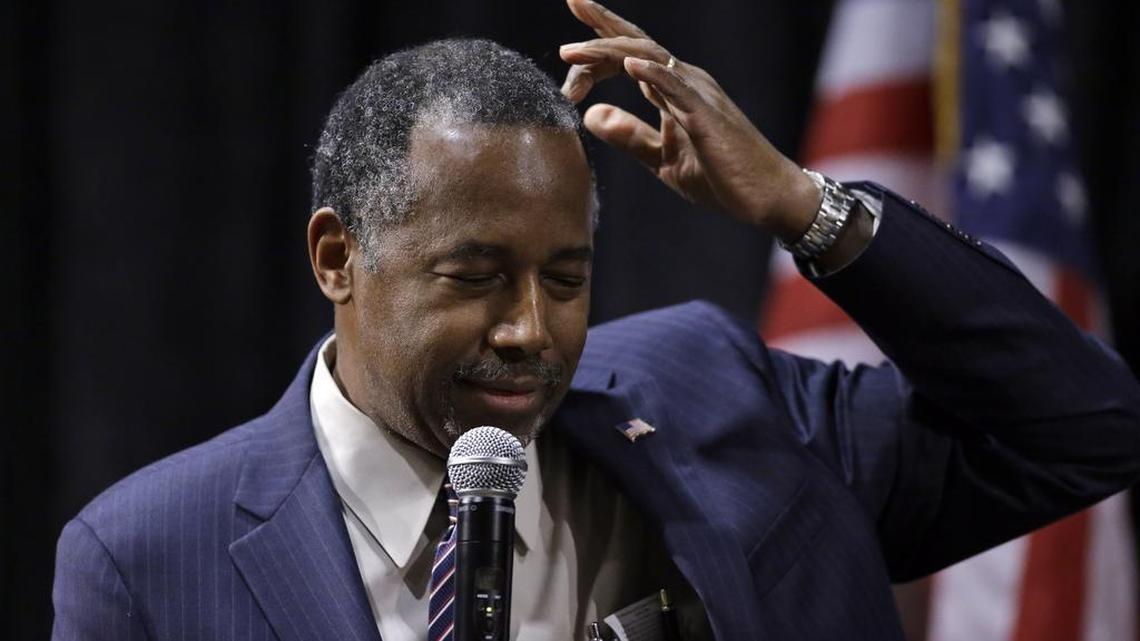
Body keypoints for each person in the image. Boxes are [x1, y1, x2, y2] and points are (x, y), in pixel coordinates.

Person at [51, 1, 1140, 640]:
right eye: (475, 275)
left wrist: (803, 209)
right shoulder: (149, 554)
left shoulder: (718, 398)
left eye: (565, 278)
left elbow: (1079, 424)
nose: (530, 328)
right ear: (340, 257)